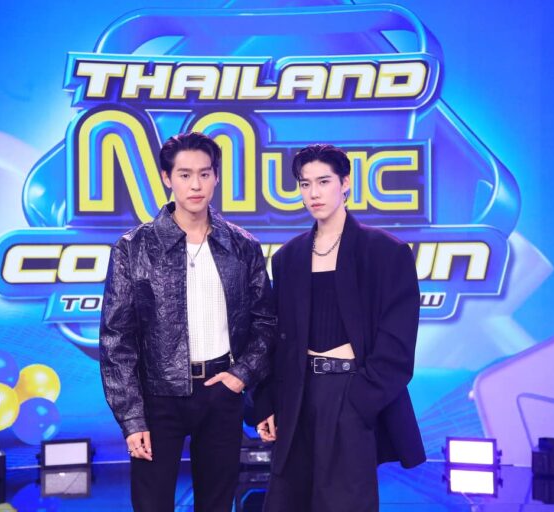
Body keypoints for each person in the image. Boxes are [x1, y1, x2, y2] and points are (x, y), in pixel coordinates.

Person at [99, 132, 275, 512]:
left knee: (217, 504)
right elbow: (116, 340)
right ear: (167, 178)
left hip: (222, 391)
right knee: (152, 505)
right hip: (158, 398)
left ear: (216, 177)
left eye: (204, 174)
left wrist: (241, 375)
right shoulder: (133, 248)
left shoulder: (243, 246)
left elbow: (266, 323)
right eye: (184, 175)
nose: (196, 185)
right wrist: (132, 418)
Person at [252, 144, 425, 511]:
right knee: (289, 501)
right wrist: (267, 401)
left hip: (351, 392)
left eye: (324, 181)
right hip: (298, 396)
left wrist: (360, 400)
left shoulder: (385, 252)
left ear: (345, 183)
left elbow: (398, 342)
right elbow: (276, 339)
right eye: (305, 184)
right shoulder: (288, 257)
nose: (313, 193)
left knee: (346, 502)